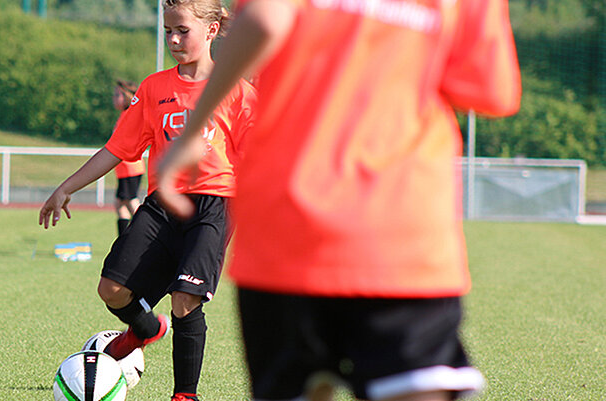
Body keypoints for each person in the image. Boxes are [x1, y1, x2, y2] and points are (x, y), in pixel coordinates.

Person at [156, 1, 521, 400]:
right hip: (399, 228)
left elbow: (264, 21)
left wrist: (194, 130)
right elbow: (493, 93)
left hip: (286, 225)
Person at [38, 0, 256, 399]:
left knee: (185, 299)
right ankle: (145, 329)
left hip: (214, 204)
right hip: (161, 206)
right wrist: (67, 186)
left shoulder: (237, 89)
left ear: (210, 31)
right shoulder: (154, 88)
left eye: (182, 31)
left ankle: (184, 395)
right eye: (167, 31)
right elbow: (116, 148)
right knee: (111, 289)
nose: (173, 39)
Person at [111, 79, 146, 235]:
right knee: (121, 203)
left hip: (131, 167)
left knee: (131, 202)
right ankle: (123, 239)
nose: (114, 98)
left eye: (118, 95)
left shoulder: (129, 115)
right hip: (124, 170)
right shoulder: (122, 115)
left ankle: (147, 232)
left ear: (127, 96)